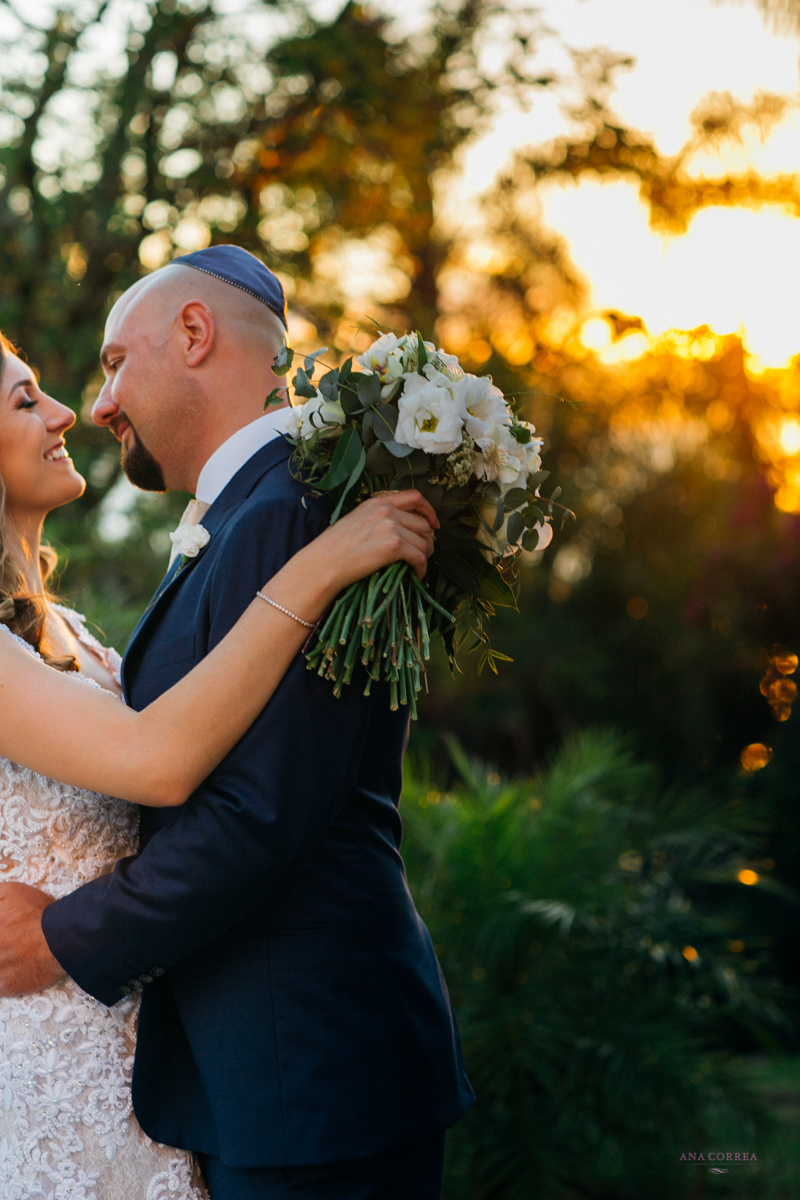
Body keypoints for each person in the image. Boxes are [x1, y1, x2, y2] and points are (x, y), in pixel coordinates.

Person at [0, 246, 474, 1200]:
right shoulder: (286, 520)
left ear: (194, 334)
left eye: (106, 366)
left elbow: (256, 811)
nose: (83, 411)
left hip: (298, 1066)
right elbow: (168, 760)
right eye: (26, 401)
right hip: (179, 1069)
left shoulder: (291, 510)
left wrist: (63, 936)